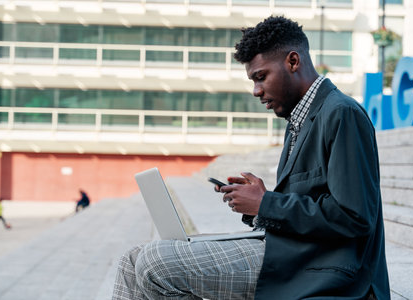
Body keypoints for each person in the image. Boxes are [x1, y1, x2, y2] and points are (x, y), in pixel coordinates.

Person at [113, 15, 390, 299]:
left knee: (155, 262)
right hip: (291, 251)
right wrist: (258, 206)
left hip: (323, 267)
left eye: (260, 77)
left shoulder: (341, 113)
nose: (256, 91)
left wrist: (266, 204)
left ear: (293, 62)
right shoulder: (300, 120)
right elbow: (310, 203)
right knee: (131, 260)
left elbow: (354, 217)